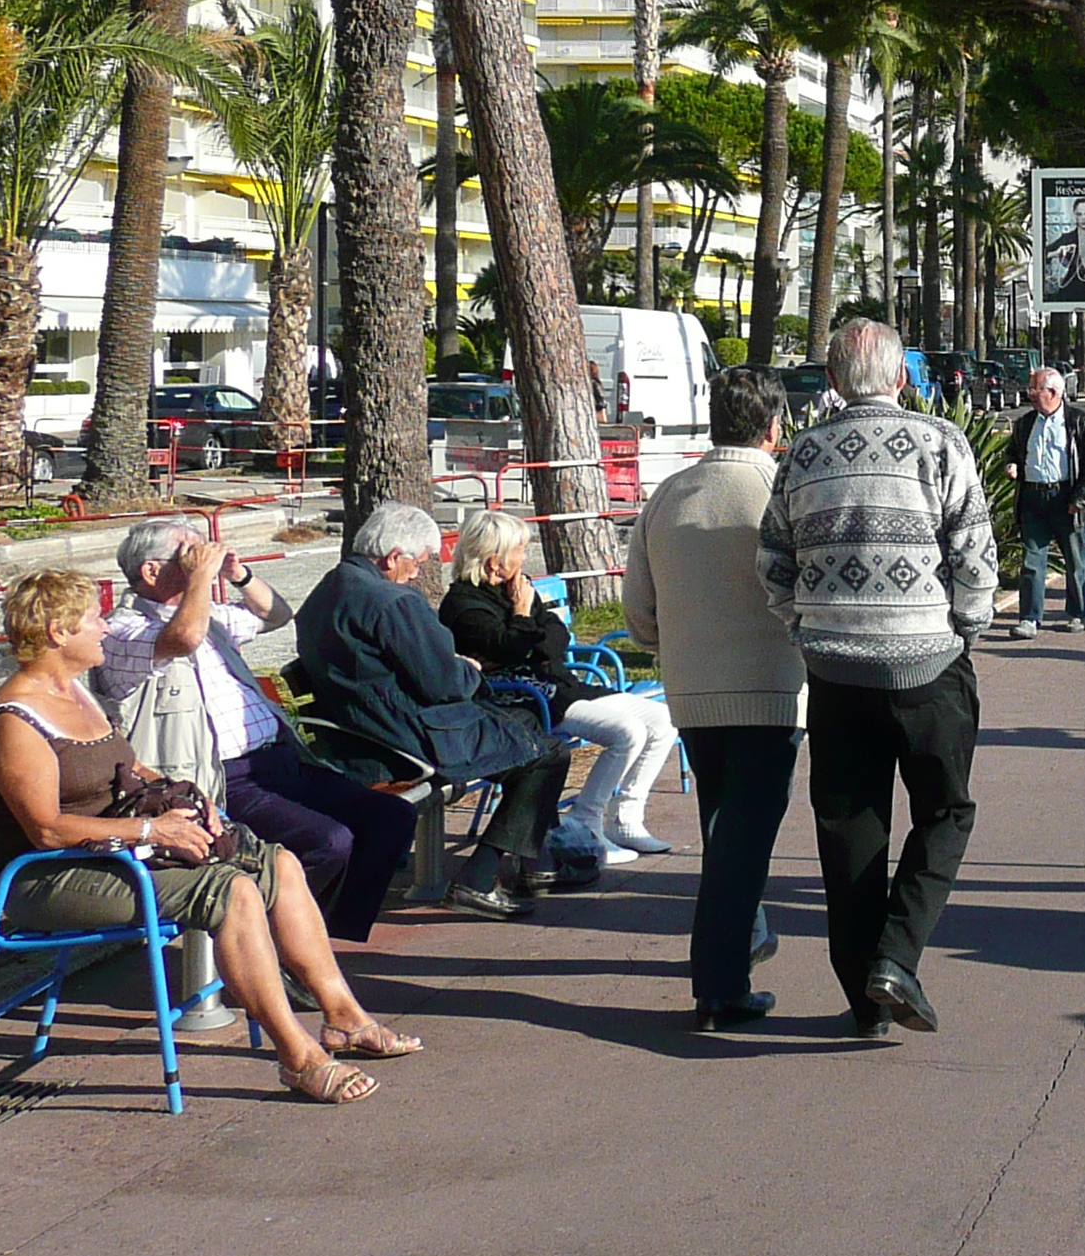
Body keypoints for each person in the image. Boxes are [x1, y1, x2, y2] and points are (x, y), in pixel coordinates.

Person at [0, 571, 417, 1103]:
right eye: (92, 619)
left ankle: (344, 1017)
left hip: (114, 855)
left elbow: (133, 768)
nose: (102, 628)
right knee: (230, 891)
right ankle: (298, 1057)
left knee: (276, 862)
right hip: (52, 878)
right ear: (57, 632)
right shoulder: (18, 721)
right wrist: (151, 828)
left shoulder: (74, 693)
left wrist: (188, 799)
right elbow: (46, 829)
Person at [761, 317, 997, 1037]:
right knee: (946, 812)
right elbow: (976, 557)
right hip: (928, 665)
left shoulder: (800, 455)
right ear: (902, 379)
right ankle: (897, 957)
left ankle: (865, 1000)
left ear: (832, 383)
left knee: (849, 830)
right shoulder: (940, 443)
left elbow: (773, 563)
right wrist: (966, 628)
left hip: (835, 673)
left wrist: (804, 630)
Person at [99, 517, 415, 941]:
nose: (202, 561)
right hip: (219, 780)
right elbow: (183, 638)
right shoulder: (124, 630)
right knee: (329, 842)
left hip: (278, 760)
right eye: (188, 555)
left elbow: (278, 615)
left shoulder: (206, 617)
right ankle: (277, 946)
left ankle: (322, 939)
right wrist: (200, 579)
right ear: (150, 572)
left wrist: (238, 575)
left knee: (390, 817)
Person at [292, 502, 578, 920]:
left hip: (350, 735)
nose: (418, 574)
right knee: (547, 753)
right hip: (404, 740)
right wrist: (470, 669)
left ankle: (534, 861)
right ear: (393, 557)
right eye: (418, 564)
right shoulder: (393, 602)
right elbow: (444, 684)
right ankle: (480, 878)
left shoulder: (327, 590)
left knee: (525, 733)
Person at [628, 366, 803, 1028]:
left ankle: (735, 949)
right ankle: (719, 980)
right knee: (747, 836)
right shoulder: (779, 488)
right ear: (773, 425)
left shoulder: (669, 494)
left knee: (722, 826)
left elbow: (640, 612)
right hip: (771, 688)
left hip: (693, 691)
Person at [441, 512, 683, 860]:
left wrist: (528, 638)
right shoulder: (464, 605)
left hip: (558, 686)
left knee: (662, 720)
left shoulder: (516, 588)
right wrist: (524, 622)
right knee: (627, 732)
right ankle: (587, 822)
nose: (525, 557)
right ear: (495, 560)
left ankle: (627, 816)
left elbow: (556, 635)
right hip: (523, 701)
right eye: (520, 550)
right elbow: (513, 646)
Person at [1002, 367, 1085, 638]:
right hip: (1033, 498)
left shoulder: (1079, 423)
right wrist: (1011, 464)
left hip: (1067, 498)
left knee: (1074, 559)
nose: (1030, 395)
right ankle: (1029, 619)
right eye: (1030, 389)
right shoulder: (1025, 424)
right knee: (1032, 561)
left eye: (1035, 390)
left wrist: (1080, 499)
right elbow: (1012, 451)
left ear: (1054, 392)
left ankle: (1077, 613)